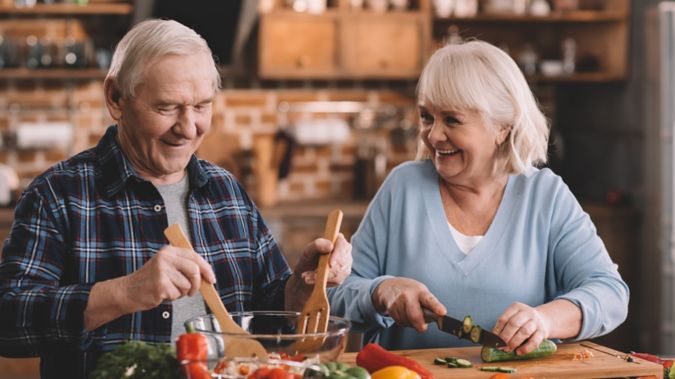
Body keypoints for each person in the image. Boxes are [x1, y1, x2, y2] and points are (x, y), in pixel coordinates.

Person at [0, 19, 352, 378]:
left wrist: (301, 286)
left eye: (201, 106)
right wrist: (125, 292)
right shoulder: (58, 195)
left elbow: (266, 316)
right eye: (167, 107)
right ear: (116, 98)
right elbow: (9, 320)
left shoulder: (227, 192)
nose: (188, 128)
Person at [328, 40, 628, 355]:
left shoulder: (545, 197)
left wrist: (545, 320)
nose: (433, 135)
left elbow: (610, 294)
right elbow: (335, 296)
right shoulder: (402, 188)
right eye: (427, 117)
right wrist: (380, 291)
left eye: (452, 120)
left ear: (502, 127)